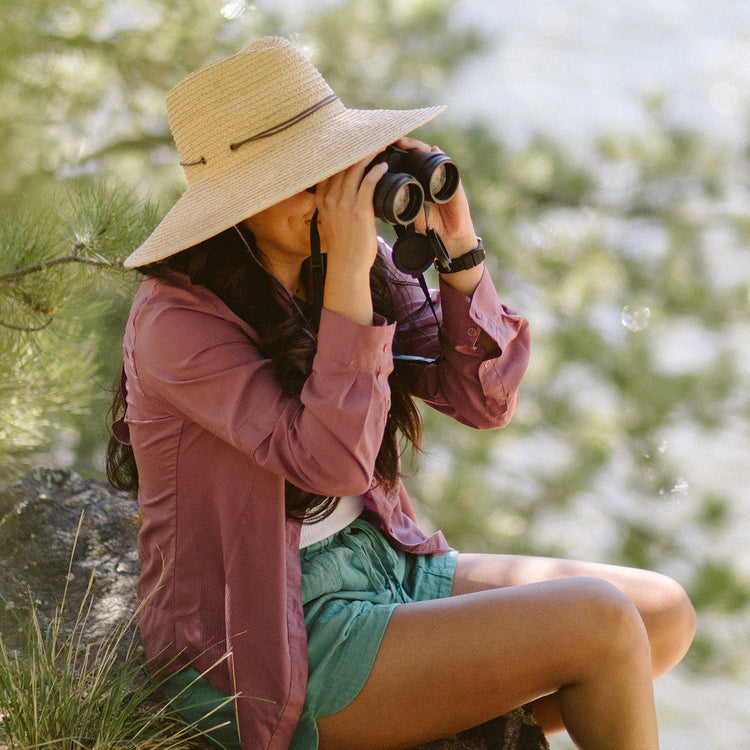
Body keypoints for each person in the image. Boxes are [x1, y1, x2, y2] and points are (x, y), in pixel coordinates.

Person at [107, 36, 695, 750]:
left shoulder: (345, 261)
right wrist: (353, 273)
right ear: (240, 202)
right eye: (302, 176)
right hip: (263, 637)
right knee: (599, 622)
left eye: (336, 163)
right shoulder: (178, 320)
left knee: (663, 614)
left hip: (381, 564)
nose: (329, 190)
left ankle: (442, 718)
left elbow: (482, 402)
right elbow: (332, 465)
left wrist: (460, 247)